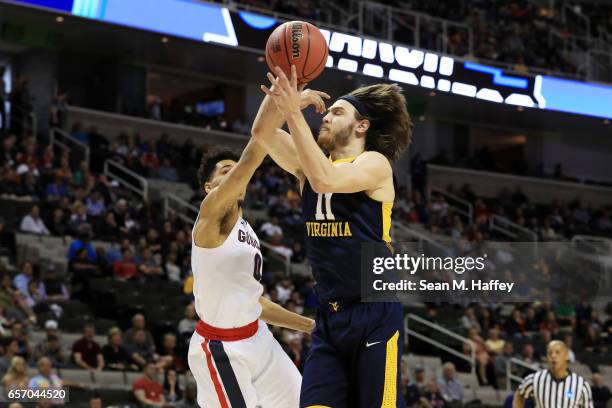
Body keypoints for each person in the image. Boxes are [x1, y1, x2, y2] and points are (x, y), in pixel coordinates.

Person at [257, 65, 413, 406]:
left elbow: (326, 180)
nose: (325, 117)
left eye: (337, 112)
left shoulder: (375, 164)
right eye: (326, 111)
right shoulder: (308, 163)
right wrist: (286, 85)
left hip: (373, 313)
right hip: (329, 317)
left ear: (362, 126)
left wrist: (293, 113)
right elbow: (262, 133)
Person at [187, 86, 321, 408]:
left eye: (234, 169)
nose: (235, 173)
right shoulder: (210, 215)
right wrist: (287, 103)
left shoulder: (246, 229)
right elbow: (253, 154)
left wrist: (309, 326)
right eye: (225, 170)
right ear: (209, 187)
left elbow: (254, 302)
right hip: (221, 349)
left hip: (257, 337)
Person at [514, 340, 594, 408]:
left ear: (567, 356)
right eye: (549, 353)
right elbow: (519, 395)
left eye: (557, 352)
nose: (553, 356)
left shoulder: (581, 384)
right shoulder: (535, 379)